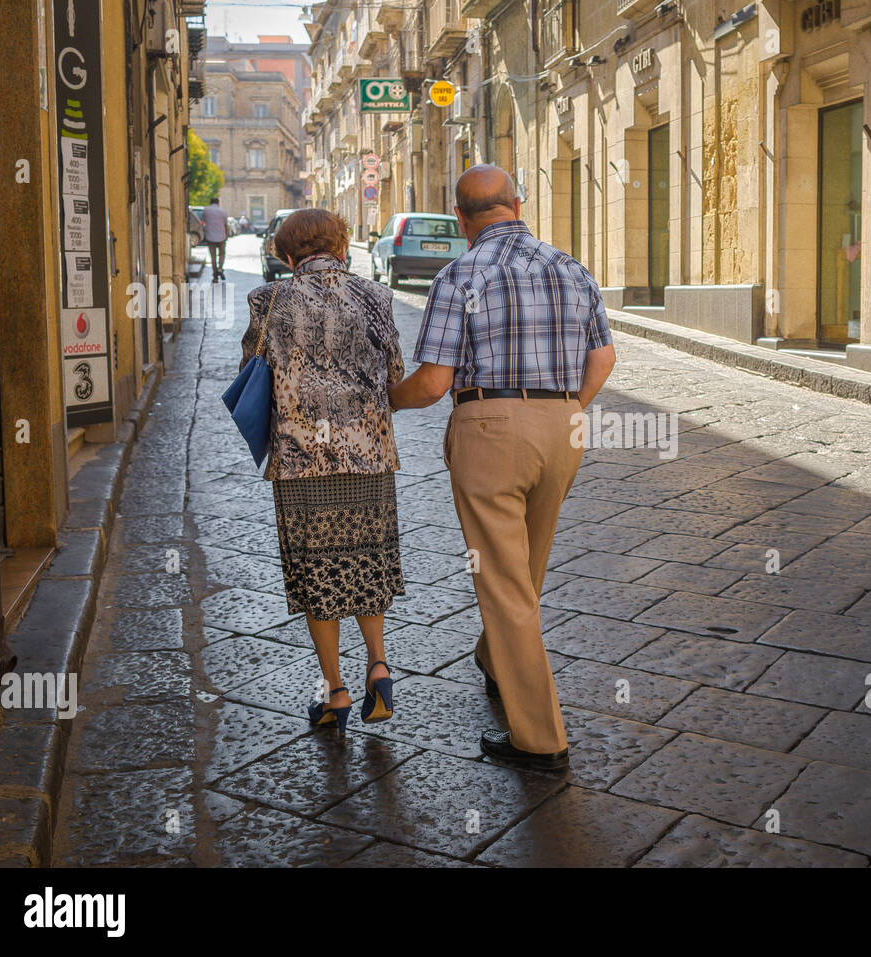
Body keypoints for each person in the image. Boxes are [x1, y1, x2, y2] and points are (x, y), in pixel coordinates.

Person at [390, 165, 616, 771]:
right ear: (517, 205)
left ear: (462, 220)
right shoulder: (572, 268)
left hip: (490, 429)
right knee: (528, 562)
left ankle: (540, 740)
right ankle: (496, 658)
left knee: (503, 579)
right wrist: (563, 410)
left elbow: (434, 383)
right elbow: (603, 357)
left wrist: (385, 397)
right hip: (563, 425)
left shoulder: (459, 273)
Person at [240, 208, 406, 736]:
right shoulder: (375, 297)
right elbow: (395, 373)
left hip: (299, 459)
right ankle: (378, 665)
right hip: (368, 454)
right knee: (367, 561)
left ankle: (336, 691)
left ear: (287, 255)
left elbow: (251, 370)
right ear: (341, 244)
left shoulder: (268, 301)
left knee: (318, 574)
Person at [202, 197, 230, 282]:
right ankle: (220, 269)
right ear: (218, 203)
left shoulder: (206, 210)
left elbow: (204, 221)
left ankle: (215, 275)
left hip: (210, 236)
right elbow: (226, 225)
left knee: (213, 256)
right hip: (221, 236)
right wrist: (226, 235)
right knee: (222, 254)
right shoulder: (223, 212)